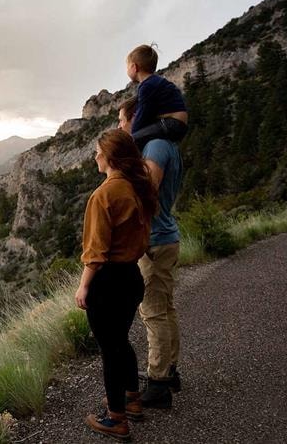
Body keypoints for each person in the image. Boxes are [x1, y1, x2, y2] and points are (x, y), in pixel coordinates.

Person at [76, 129, 158, 441]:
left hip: (108, 282)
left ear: (110, 158)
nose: (95, 156)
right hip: (131, 277)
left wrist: (84, 287)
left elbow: (95, 253)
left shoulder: (104, 195)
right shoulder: (139, 188)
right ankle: (132, 399)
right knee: (121, 341)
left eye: (98, 152)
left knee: (110, 351)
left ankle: (116, 419)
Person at [119, 97, 184, 409]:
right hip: (166, 236)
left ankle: (157, 383)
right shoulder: (166, 145)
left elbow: (149, 191)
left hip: (155, 241)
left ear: (136, 118)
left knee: (153, 311)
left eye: (122, 121)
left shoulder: (155, 146)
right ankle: (169, 369)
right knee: (166, 307)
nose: (120, 127)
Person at [126, 44, 189, 149]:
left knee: (131, 142)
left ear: (134, 67)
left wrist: (133, 134)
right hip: (176, 123)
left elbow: (143, 114)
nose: (127, 70)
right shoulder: (155, 81)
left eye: (127, 67)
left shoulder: (147, 85)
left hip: (172, 124)